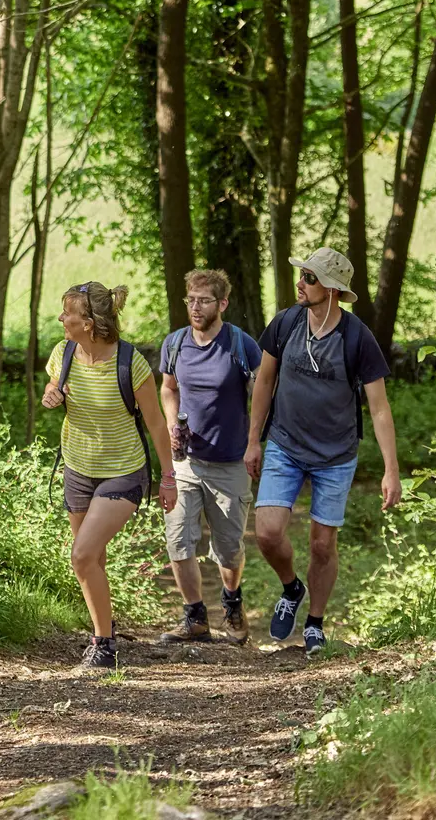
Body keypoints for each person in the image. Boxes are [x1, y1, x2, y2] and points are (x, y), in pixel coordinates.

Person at [244, 247, 402, 654]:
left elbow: (379, 408)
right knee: (267, 532)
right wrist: (253, 440)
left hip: (336, 455)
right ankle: (291, 588)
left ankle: (315, 623)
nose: (300, 283)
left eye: (310, 278)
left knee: (321, 544)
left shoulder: (357, 338)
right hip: (285, 445)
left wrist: (391, 470)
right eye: (302, 275)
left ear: (331, 289)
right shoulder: (286, 323)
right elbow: (264, 382)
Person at [42, 282, 178, 670]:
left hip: (123, 473)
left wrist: (168, 479)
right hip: (77, 469)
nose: (61, 318)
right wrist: (53, 393)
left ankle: (104, 648)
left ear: (88, 323)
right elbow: (54, 383)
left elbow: (156, 424)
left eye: (67, 313)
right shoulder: (63, 351)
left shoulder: (130, 363)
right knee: (94, 558)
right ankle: (105, 628)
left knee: (82, 556)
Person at [158, 269, 261, 645]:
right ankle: (195, 617)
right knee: (178, 539)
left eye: (204, 300)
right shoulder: (175, 344)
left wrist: (254, 441)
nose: (196, 307)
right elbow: (168, 388)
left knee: (229, 549)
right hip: (185, 460)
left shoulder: (240, 344)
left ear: (222, 303)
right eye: (191, 300)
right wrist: (172, 424)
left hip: (231, 462)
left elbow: (262, 392)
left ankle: (232, 604)